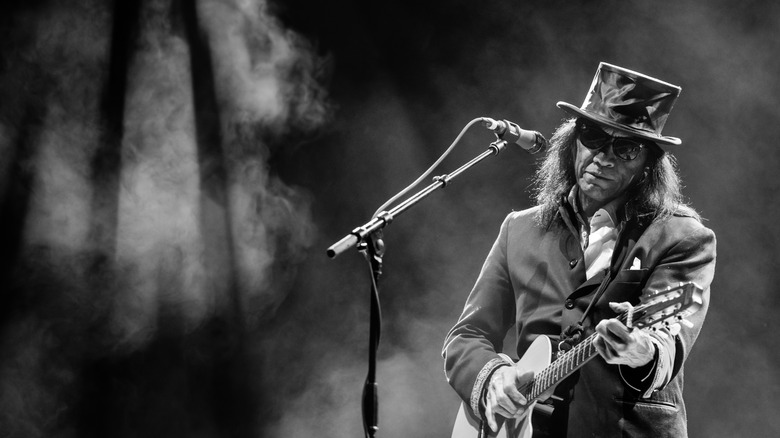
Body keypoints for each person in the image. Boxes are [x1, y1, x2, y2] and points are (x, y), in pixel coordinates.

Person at [442, 62, 716, 438]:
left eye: (626, 148)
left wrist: (642, 350)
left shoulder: (682, 237)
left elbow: (669, 339)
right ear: (572, 140)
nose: (603, 157)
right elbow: (468, 335)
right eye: (593, 135)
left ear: (648, 165)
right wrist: (492, 379)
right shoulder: (519, 229)